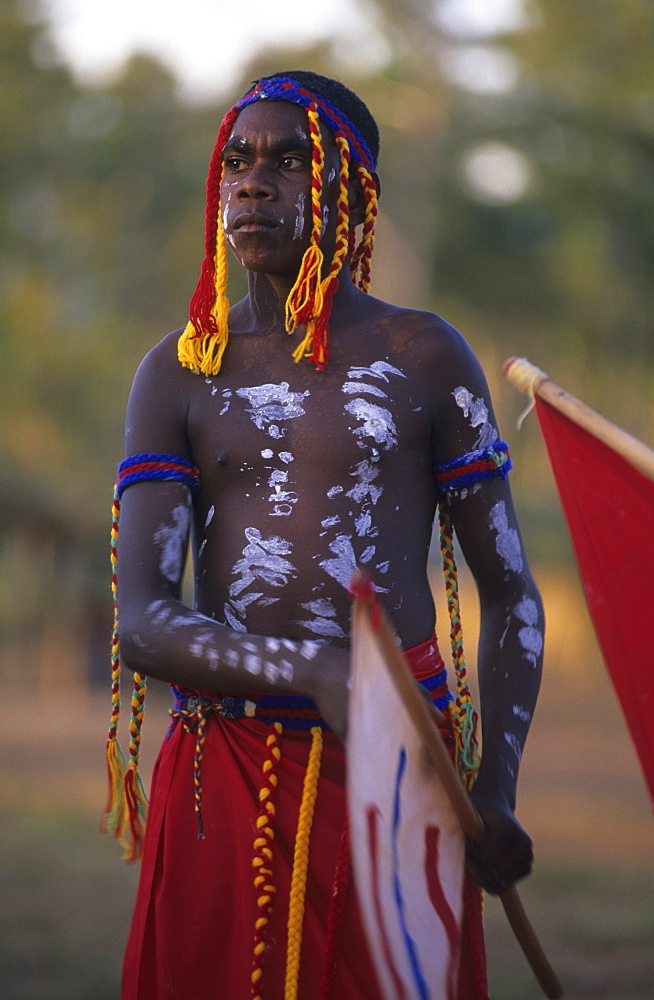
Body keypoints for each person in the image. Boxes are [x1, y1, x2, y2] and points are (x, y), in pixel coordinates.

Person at [107, 70, 544, 1000]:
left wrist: (495, 790)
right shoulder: (180, 372)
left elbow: (509, 593)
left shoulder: (423, 358)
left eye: (290, 161)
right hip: (223, 775)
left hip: (402, 770)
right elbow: (142, 624)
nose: (253, 183)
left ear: (353, 190)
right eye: (237, 160)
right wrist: (312, 673)